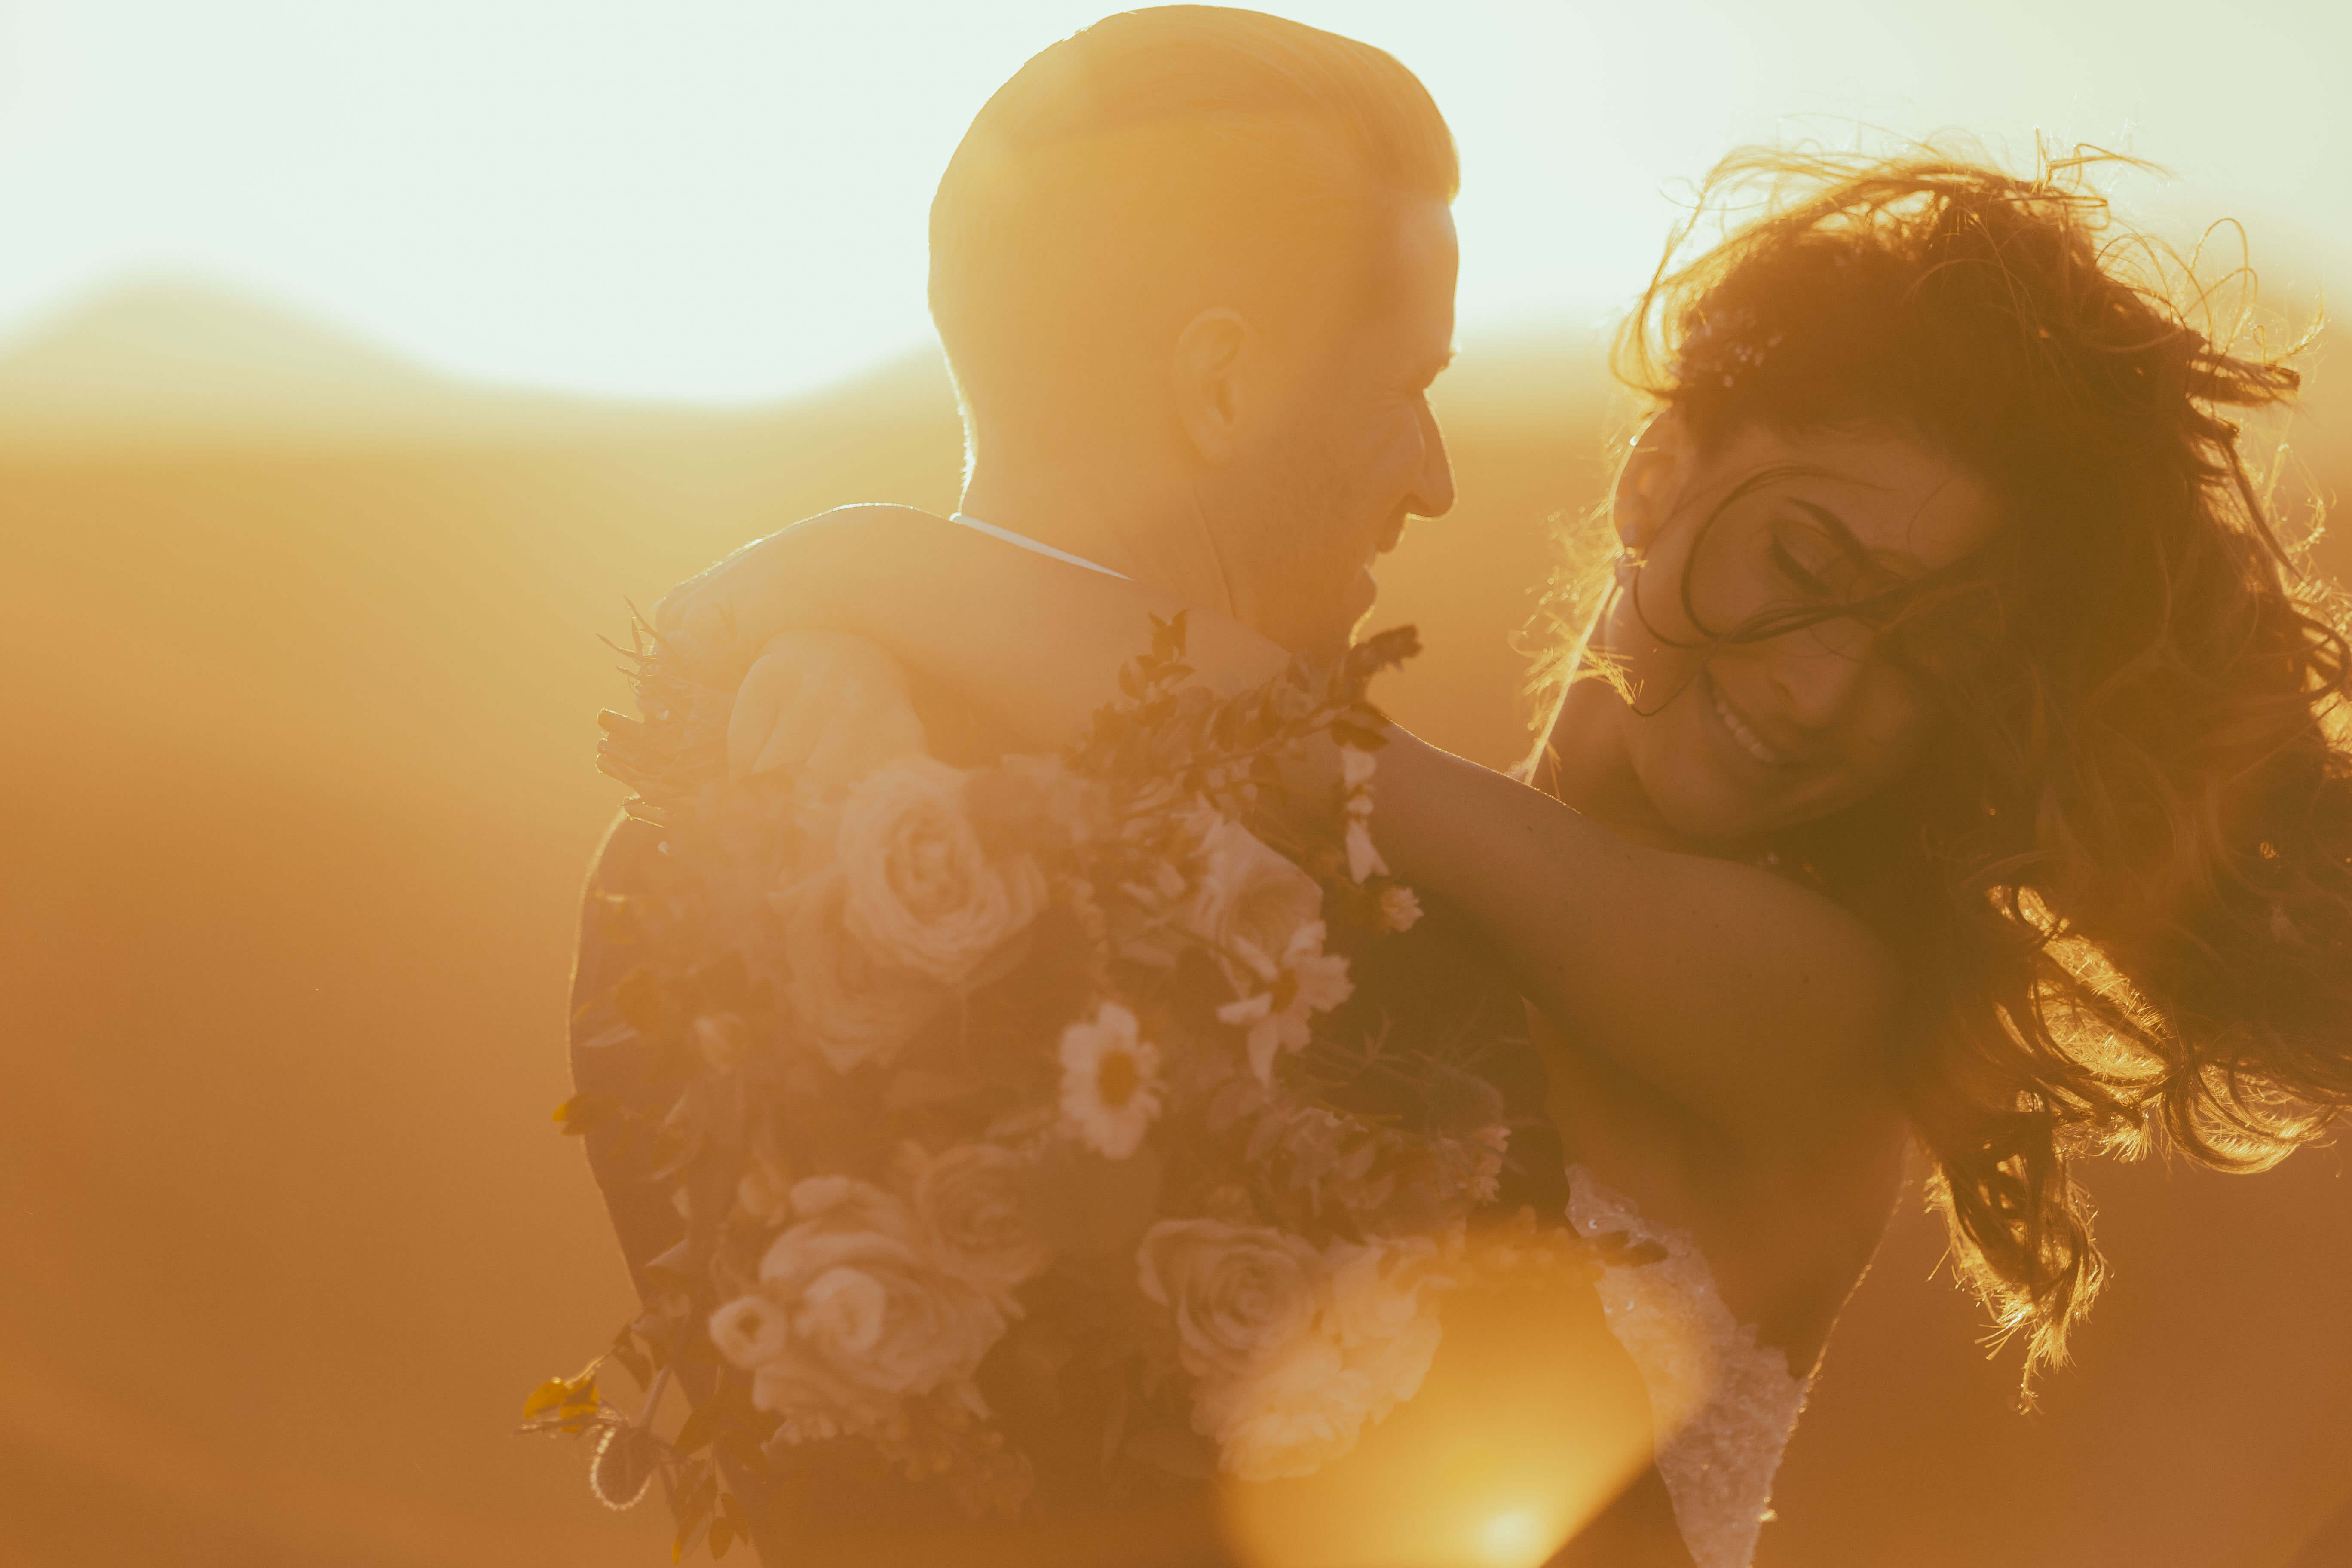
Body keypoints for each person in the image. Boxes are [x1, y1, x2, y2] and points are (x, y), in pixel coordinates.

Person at [660, 147, 2352, 1567]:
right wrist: (866, 674)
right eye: (1808, 559)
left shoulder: (1822, 1014)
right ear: (1660, 474)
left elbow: (1296, 750)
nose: (1832, 685)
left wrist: (863, 567)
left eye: (1932, 663)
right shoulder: (1373, 885)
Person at [574, 6, 1687, 1563]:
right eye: (1405, 385)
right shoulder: (1316, 890)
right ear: (1222, 386)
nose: (1434, 477)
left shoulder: (684, 851)